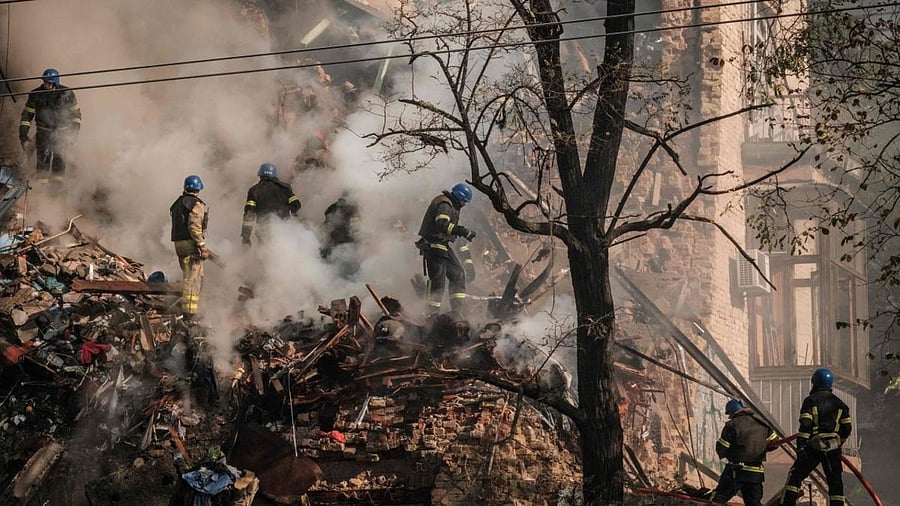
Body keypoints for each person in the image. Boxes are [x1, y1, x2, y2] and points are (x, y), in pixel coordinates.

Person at [780, 368, 852, 506]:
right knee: (835, 482)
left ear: (814, 382)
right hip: (833, 448)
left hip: (814, 446)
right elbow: (847, 429)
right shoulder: (841, 404)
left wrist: (801, 447)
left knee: (796, 476)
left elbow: (806, 424)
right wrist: (838, 442)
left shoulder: (810, 401)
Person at [415, 182, 476, 316]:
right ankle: (431, 313)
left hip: (442, 245)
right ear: (459, 197)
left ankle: (457, 312)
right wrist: (462, 231)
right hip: (433, 245)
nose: (464, 204)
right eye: (464, 201)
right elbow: (442, 225)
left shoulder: (450, 205)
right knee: (438, 281)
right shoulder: (444, 205)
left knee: (458, 274)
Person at [19, 68, 82, 183]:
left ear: (55, 82)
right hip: (43, 134)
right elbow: (27, 116)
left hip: (62, 134)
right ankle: (42, 192)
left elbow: (76, 115)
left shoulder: (66, 93)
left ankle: (56, 191)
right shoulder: (35, 94)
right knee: (42, 163)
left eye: (49, 83)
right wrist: (23, 134)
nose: (46, 85)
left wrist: (73, 134)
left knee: (59, 163)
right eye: (45, 82)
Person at [712, 399, 777, 506]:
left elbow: (722, 449)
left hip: (736, 471)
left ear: (733, 412)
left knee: (718, 498)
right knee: (754, 503)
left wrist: (723, 450)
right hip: (756, 474)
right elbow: (775, 444)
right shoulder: (763, 424)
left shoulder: (732, 425)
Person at [170, 175, 210, 320]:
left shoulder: (177, 204)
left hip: (179, 246)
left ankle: (187, 311)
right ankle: (189, 314)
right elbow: (194, 227)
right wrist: (201, 245)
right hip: (190, 246)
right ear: (199, 188)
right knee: (193, 280)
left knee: (188, 276)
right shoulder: (195, 205)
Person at [240, 163, 301, 246]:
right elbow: (296, 205)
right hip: (285, 228)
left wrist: (246, 237)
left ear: (260, 175)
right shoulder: (285, 188)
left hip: (264, 230)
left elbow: (249, 215)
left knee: (266, 254)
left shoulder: (254, 191)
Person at [320, 191, 360, 277]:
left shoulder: (332, 208)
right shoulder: (353, 208)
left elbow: (326, 225)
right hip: (344, 242)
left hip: (337, 242)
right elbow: (356, 227)